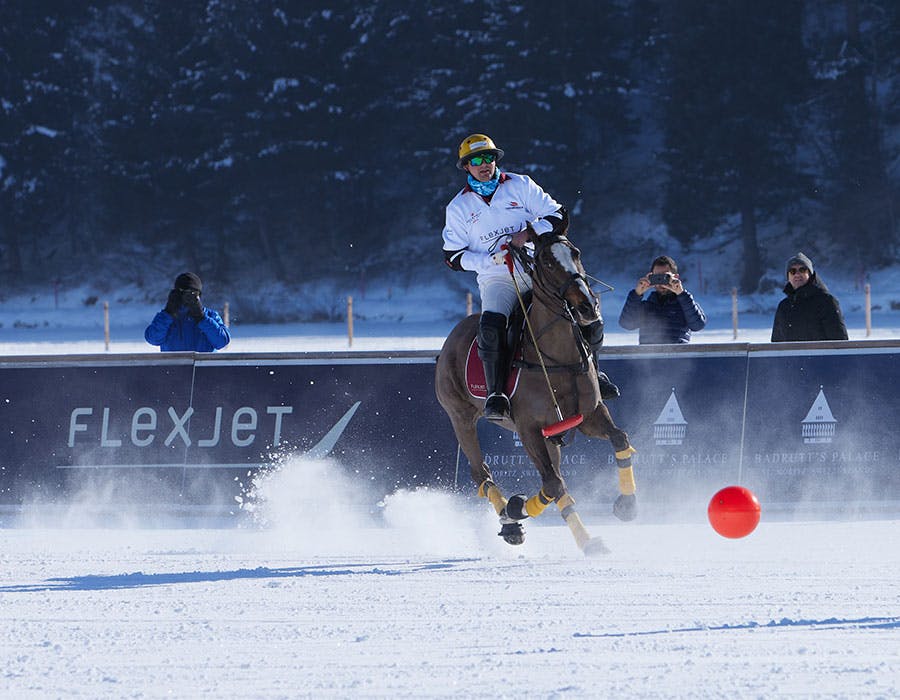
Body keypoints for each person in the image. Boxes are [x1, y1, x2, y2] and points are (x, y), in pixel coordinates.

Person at [442, 133, 618, 421]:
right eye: (476, 161)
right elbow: (453, 257)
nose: (484, 164)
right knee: (492, 326)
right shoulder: (458, 207)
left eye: (488, 158)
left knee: (585, 306)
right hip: (497, 278)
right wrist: (488, 259)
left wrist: (528, 234)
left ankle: (595, 373)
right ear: (466, 167)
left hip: (538, 269)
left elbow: (559, 216)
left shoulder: (520, 185)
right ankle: (496, 393)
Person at [618, 255, 707, 344]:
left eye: (666, 277)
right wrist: (636, 294)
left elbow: (698, 325)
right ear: (650, 277)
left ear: (676, 277)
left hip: (677, 356)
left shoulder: (685, 304)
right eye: (657, 277)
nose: (661, 282)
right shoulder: (646, 306)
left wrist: (682, 294)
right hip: (648, 356)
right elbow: (626, 324)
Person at [144, 272, 231, 352]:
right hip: (173, 367)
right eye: (181, 293)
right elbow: (153, 339)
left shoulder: (210, 316)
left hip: (203, 367)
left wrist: (202, 318)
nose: (186, 298)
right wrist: (168, 312)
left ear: (199, 296)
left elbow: (222, 342)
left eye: (191, 294)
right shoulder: (167, 318)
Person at [771, 252, 848, 342]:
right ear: (788, 277)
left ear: (810, 274)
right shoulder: (784, 306)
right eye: (792, 271)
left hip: (820, 355)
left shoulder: (826, 302)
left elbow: (840, 343)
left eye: (802, 270)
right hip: (791, 356)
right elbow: (776, 345)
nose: (797, 274)